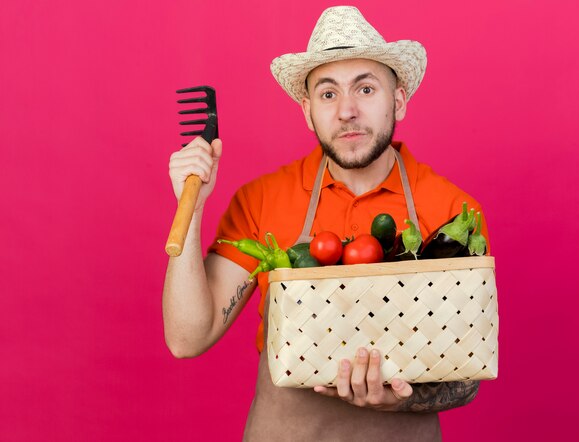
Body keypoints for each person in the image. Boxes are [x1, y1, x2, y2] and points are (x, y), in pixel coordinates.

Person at [163, 6, 489, 441]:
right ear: (307, 110)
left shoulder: (453, 211)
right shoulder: (262, 200)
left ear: (399, 100)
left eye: (366, 88)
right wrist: (194, 206)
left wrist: (401, 399)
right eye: (328, 93)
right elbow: (188, 337)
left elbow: (467, 378)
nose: (347, 111)